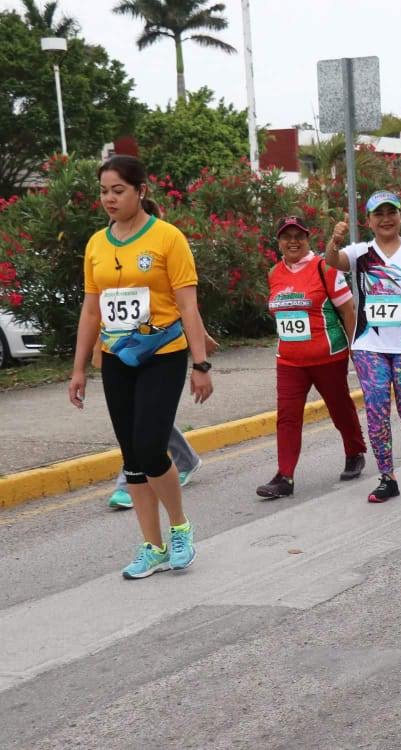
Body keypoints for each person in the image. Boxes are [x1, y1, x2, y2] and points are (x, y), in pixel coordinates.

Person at [69, 155, 213, 578]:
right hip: (116, 359)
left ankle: (180, 527)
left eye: (118, 190)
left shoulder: (168, 238)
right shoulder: (97, 244)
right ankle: (152, 546)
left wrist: (201, 363)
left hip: (162, 356)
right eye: (104, 191)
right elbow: (91, 311)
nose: (109, 199)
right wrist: (79, 369)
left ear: (140, 192)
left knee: (151, 447)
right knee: (132, 455)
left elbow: (188, 306)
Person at [325, 191, 401, 502]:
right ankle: (387, 477)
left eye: (391, 212)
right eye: (379, 214)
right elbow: (332, 262)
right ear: (369, 221)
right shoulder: (361, 252)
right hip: (370, 344)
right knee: (377, 407)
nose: (386, 219)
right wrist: (334, 242)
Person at [256, 216, 368, 499]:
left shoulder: (324, 267)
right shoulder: (274, 273)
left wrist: (355, 347)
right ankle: (285, 476)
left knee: (339, 407)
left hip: (328, 356)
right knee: (287, 417)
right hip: (289, 360)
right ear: (278, 241)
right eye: (286, 236)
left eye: (298, 236)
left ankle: (355, 451)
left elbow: (348, 309)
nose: (292, 241)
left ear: (308, 238)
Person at [96, 331, 215, 509]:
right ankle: (186, 459)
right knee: (143, 413)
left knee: (146, 417)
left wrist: (200, 345)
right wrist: (97, 344)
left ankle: (129, 483)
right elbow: (98, 309)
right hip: (120, 346)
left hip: (160, 347)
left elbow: (181, 305)